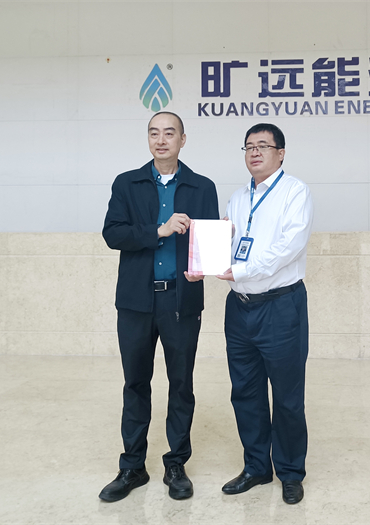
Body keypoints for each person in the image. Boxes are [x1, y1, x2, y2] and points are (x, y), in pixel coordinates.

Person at [99, 112, 219, 502]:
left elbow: (208, 240)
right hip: (136, 300)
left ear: (183, 139)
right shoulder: (127, 183)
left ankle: (176, 464)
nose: (161, 140)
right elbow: (113, 233)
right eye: (154, 133)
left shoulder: (202, 187)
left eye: (170, 133)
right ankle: (132, 466)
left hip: (181, 300)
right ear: (148, 139)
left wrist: (208, 262)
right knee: (135, 383)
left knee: (181, 384)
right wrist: (159, 230)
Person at [217, 123, 313, 504]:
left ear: (281, 153)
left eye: (263, 146)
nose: (254, 152)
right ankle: (256, 466)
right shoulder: (237, 198)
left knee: (287, 396)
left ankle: (290, 472)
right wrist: (205, 261)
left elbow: (288, 247)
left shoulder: (295, 192)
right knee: (245, 392)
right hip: (239, 309)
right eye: (249, 147)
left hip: (280, 307)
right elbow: (228, 244)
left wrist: (240, 270)